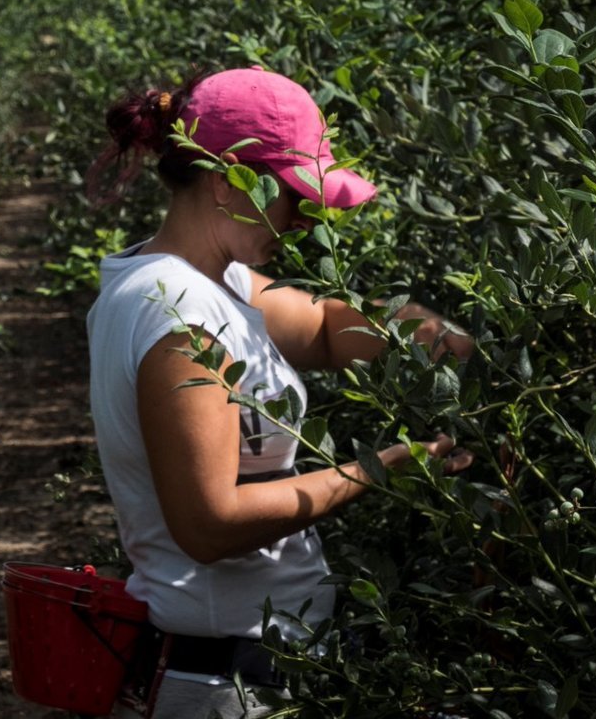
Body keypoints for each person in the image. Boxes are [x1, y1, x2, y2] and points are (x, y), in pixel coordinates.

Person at [85, 66, 476, 719]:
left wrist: (463, 346)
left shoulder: (212, 282)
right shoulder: (178, 312)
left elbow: (324, 329)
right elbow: (209, 526)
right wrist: (379, 469)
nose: (303, 219)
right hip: (219, 683)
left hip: (242, 668)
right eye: (293, 196)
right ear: (225, 179)